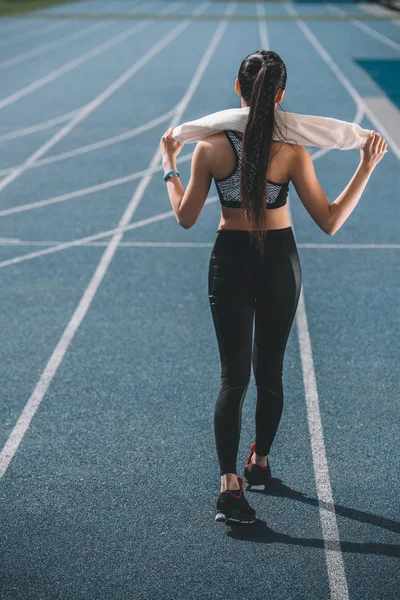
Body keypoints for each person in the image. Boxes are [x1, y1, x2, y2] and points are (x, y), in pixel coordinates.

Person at [160, 49, 387, 525]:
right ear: (281, 96)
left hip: (229, 263)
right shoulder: (292, 151)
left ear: (237, 90)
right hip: (279, 262)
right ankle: (259, 462)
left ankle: (229, 486)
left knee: (233, 380)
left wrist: (169, 165)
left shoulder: (210, 148)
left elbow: (184, 217)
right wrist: (365, 167)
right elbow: (328, 221)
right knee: (270, 374)